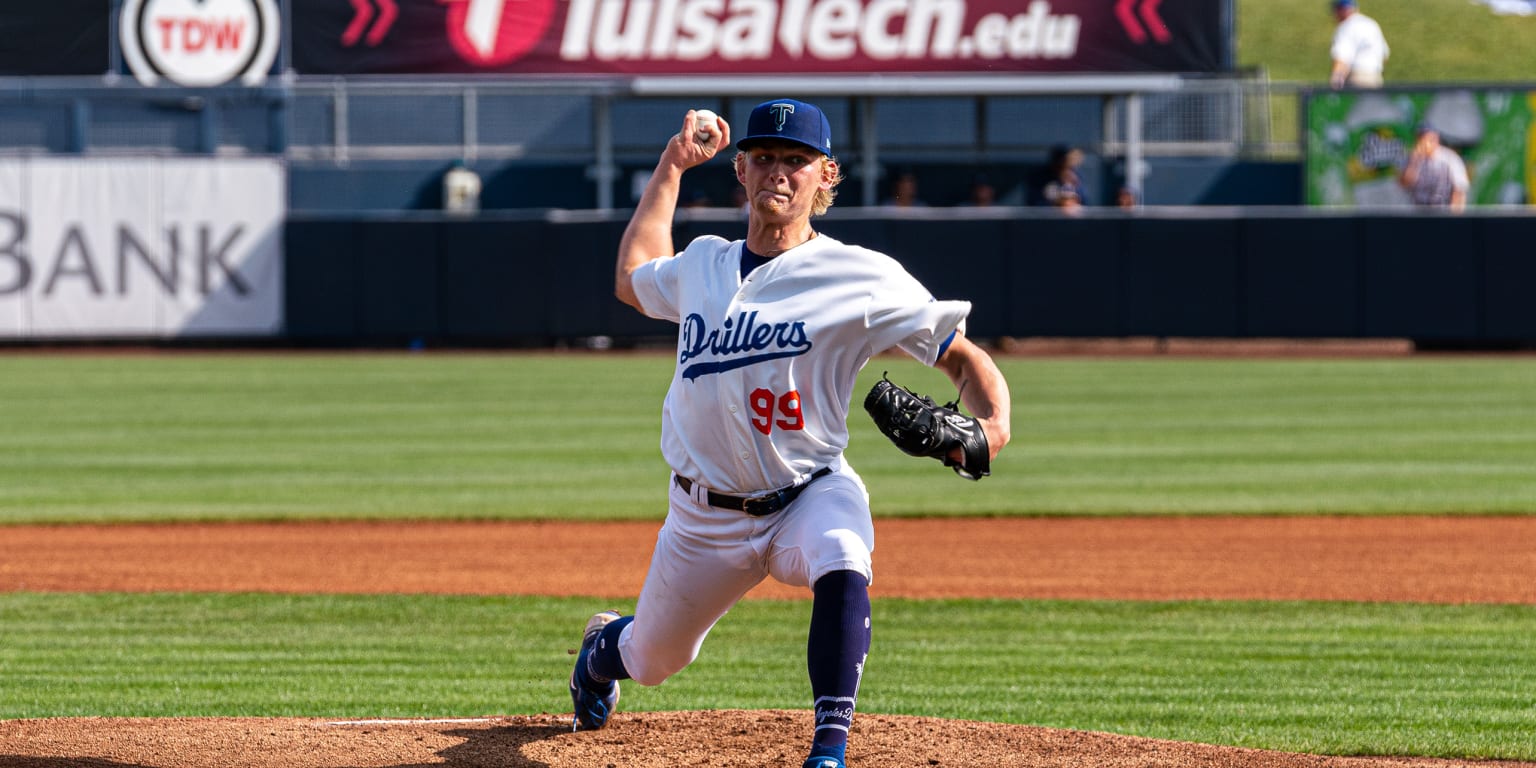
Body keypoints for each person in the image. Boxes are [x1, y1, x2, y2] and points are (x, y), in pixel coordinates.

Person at [569, 99, 1012, 768]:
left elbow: (963, 359)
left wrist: (993, 428)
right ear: (741, 169)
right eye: (766, 158)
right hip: (703, 516)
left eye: (797, 161)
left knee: (843, 551)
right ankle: (600, 655)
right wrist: (672, 163)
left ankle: (828, 752)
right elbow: (633, 279)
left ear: (826, 174)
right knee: (653, 659)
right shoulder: (702, 265)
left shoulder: (860, 276)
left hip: (808, 490)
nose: (780, 172)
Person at [1399, 122, 1470, 212]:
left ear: (1436, 139)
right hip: (1418, 214)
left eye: (1428, 139)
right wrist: (1414, 162)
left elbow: (1460, 190)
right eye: (1420, 138)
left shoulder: (1450, 158)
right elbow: (1404, 183)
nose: (1424, 142)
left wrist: (1455, 217)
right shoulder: (1411, 158)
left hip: (1443, 213)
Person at [1329, 0, 1389, 89]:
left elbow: (1342, 58)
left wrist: (1335, 82)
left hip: (1356, 79)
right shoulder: (1371, 23)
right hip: (1376, 78)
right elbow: (1385, 55)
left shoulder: (1346, 26)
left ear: (1341, 10)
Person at [1033, 145, 1087, 210]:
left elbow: (1085, 201)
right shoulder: (1040, 177)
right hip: (1048, 217)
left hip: (1072, 217)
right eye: (1063, 161)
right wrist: (1057, 201)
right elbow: (1035, 204)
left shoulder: (1075, 176)